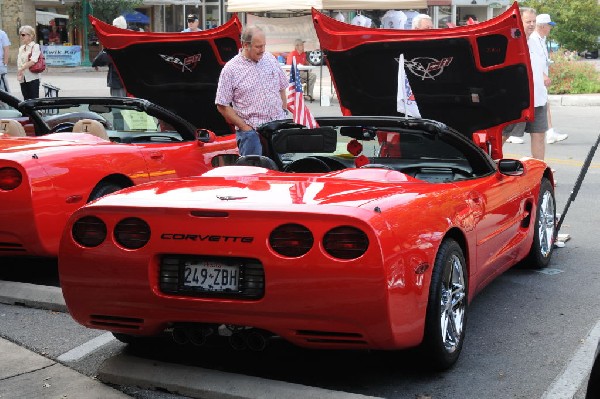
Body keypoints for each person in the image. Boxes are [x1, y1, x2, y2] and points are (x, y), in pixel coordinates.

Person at [215, 25, 288, 156]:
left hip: (277, 130)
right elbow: (222, 105)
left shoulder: (270, 59)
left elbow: (282, 87)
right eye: (258, 46)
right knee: (254, 173)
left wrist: (283, 110)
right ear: (245, 45)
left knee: (281, 174)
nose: (263, 50)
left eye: (264, 45)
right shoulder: (231, 69)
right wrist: (245, 128)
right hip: (252, 135)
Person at [502, 8, 549, 160]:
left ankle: (540, 173)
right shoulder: (511, 41)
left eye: (534, 21)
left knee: (539, 136)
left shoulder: (537, 42)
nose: (531, 24)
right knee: (503, 135)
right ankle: (486, 169)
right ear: (519, 21)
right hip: (517, 100)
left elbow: (538, 66)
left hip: (538, 98)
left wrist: (543, 76)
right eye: (528, 21)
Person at [535, 14, 568, 144]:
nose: (550, 28)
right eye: (549, 26)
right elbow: (533, 61)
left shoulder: (541, 39)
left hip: (541, 81)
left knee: (545, 104)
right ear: (542, 26)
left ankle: (550, 132)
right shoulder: (533, 40)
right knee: (541, 106)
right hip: (537, 81)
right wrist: (543, 75)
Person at [92, 16, 127, 97]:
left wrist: (95, 62)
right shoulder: (128, 39)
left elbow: (106, 56)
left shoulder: (116, 41)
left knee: (119, 105)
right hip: (128, 80)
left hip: (118, 80)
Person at [16, 25, 41, 100]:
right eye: (20, 34)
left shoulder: (35, 46)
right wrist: (20, 71)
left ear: (30, 36)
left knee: (34, 100)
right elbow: (19, 61)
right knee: (26, 100)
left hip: (32, 77)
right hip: (23, 78)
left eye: (23, 34)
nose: (21, 36)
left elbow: (33, 61)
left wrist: (21, 69)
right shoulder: (21, 48)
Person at [0, 28, 10, 92]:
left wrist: (5, 63)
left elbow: (6, 48)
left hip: (0, 64)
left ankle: (7, 101)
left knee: (3, 87)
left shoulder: (2, 34)